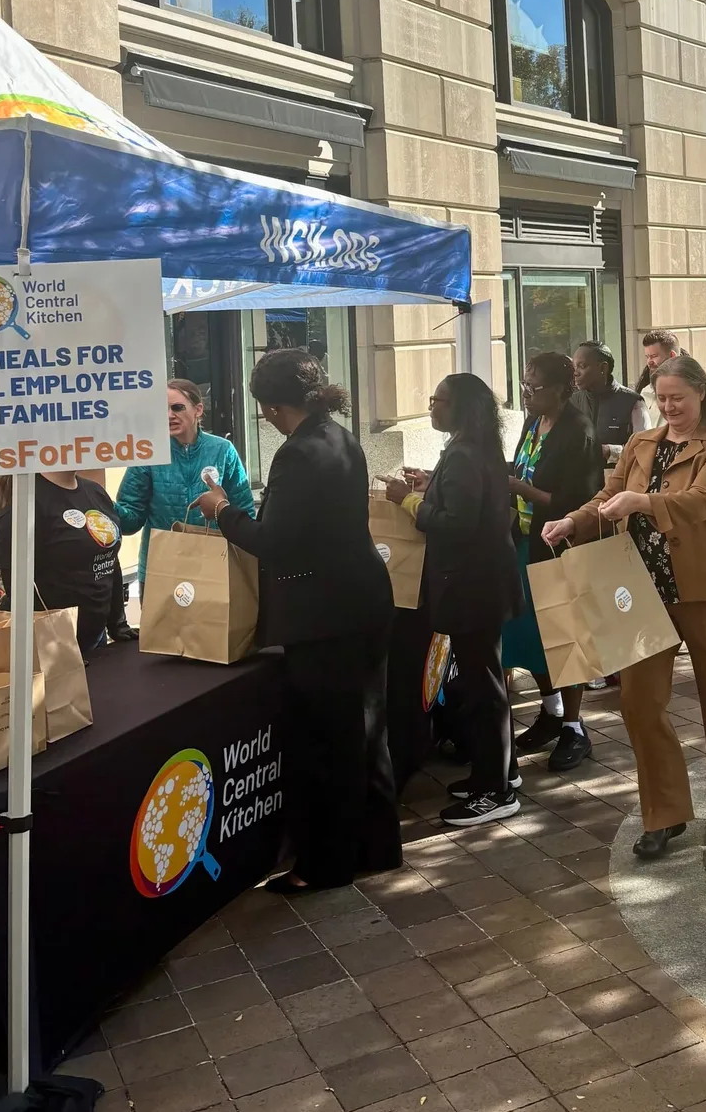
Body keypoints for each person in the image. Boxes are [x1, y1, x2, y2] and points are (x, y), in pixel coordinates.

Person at [193, 348, 400, 894]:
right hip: (364, 600)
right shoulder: (340, 436)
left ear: (270, 407)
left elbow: (276, 543)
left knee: (328, 744)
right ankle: (379, 846)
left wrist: (222, 510)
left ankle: (325, 866)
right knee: (366, 732)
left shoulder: (296, 455)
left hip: (324, 615)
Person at [542, 355, 706, 858]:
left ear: (702, 393)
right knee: (638, 704)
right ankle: (664, 813)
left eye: (678, 397)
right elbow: (608, 495)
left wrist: (642, 503)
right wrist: (573, 521)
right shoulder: (641, 444)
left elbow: (702, 503)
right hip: (640, 589)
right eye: (661, 399)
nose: (669, 407)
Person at [383, 375, 524, 826]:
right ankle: (497, 772)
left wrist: (408, 502)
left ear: (458, 407)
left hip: (473, 586)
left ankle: (496, 791)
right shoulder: (471, 446)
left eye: (436, 400)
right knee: (484, 682)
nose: (430, 407)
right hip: (483, 583)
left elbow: (456, 523)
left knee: (484, 689)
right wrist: (431, 481)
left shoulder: (465, 451)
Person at [504, 351, 603, 771]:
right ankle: (550, 710)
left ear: (564, 389)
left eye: (535, 387)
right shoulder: (532, 423)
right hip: (525, 543)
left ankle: (575, 727)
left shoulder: (577, 431)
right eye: (524, 384)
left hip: (558, 546)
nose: (527, 393)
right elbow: (522, 468)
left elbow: (575, 502)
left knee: (564, 636)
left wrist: (519, 489)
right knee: (532, 634)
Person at [114, 380, 255, 588]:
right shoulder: (149, 452)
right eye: (163, 409)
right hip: (160, 569)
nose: (169, 415)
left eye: (177, 407)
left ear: (198, 409)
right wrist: (104, 506)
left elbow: (244, 513)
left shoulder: (223, 450)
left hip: (214, 567)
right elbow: (131, 519)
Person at [0, 471, 123, 658]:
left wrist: (117, 622)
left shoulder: (95, 492)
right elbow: (19, 590)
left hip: (95, 640)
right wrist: (59, 649)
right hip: (50, 649)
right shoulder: (26, 503)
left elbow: (109, 556)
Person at [571, 342, 647, 467]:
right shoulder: (571, 402)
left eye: (582, 366)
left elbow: (645, 449)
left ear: (603, 368)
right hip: (579, 482)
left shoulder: (633, 402)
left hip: (618, 481)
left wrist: (611, 451)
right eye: (574, 367)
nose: (576, 373)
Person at [635, 330, 681, 425]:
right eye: (647, 357)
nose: (649, 362)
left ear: (672, 355)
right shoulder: (645, 391)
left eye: (653, 356)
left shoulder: (691, 390)